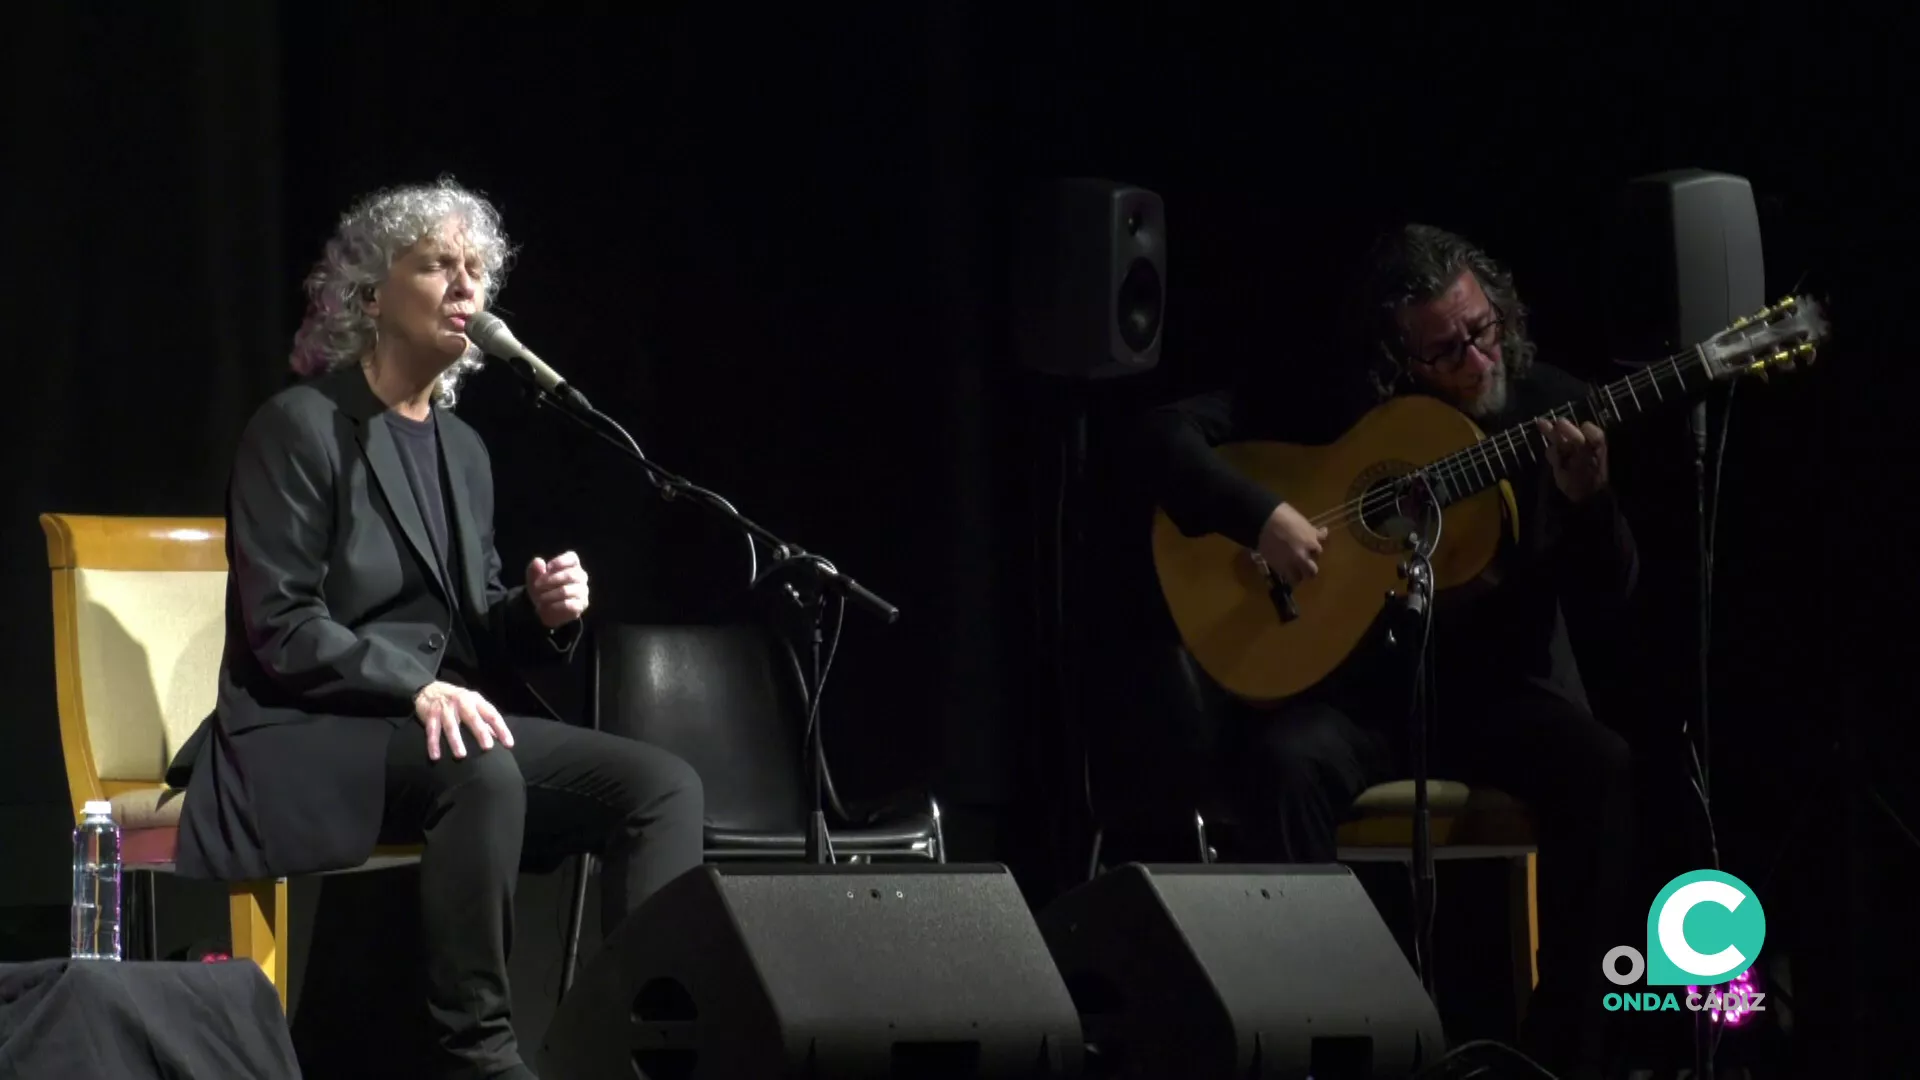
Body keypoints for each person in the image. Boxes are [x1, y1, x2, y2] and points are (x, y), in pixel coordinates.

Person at [165, 178, 705, 1080]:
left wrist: (535, 616)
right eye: (438, 265)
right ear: (371, 294)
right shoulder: (298, 428)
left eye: (476, 270)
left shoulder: (463, 449)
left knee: (662, 785)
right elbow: (282, 626)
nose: (466, 286)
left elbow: (474, 634)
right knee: (481, 772)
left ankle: (653, 1047)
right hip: (302, 730)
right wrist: (414, 685)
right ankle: (481, 1054)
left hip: (432, 728)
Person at [1130, 224, 1637, 1075]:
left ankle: (1560, 1055)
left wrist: (1592, 504)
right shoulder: (1334, 406)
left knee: (1608, 769)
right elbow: (1158, 436)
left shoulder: (1552, 407)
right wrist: (1262, 515)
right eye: (1446, 351)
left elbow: (1613, 599)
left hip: (1494, 701)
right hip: (1358, 704)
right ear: (1395, 361)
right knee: (1284, 768)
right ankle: (1306, 1043)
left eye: (1484, 330)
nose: (1479, 361)